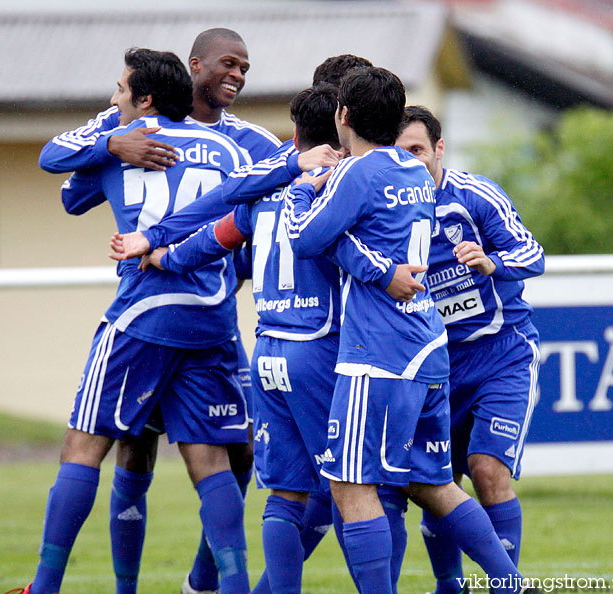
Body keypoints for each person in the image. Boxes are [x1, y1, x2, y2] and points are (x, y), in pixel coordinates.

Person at [119, 82, 415, 594]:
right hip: (320, 349)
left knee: (284, 494)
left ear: (295, 134)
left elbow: (216, 237)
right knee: (362, 490)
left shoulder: (265, 192)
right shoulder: (340, 185)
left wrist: (162, 254)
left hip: (269, 352)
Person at [38, 28, 290, 594]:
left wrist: (114, 156)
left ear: (143, 97)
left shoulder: (236, 138)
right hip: (209, 313)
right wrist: (112, 146)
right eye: (229, 64)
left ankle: (53, 585)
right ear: (194, 68)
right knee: (186, 454)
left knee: (96, 444)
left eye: (244, 68)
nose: (238, 77)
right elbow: (250, 209)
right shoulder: (226, 152)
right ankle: (218, 583)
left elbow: (62, 179)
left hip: (146, 313)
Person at [283, 66, 535, 594]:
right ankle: (511, 583)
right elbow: (355, 241)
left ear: (343, 116)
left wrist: (301, 191)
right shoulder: (413, 173)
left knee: (351, 486)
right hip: (429, 348)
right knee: (431, 482)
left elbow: (306, 239)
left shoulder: (358, 172)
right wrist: (374, 263)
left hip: (376, 352)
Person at [396, 106, 544, 593]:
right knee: (438, 485)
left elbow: (532, 252)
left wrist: (491, 262)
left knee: (486, 469)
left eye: (417, 151)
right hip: (435, 368)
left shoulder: (474, 196)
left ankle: (505, 586)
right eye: (399, 154)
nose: (410, 162)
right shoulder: (390, 211)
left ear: (439, 149)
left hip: (502, 357)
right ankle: (448, 585)